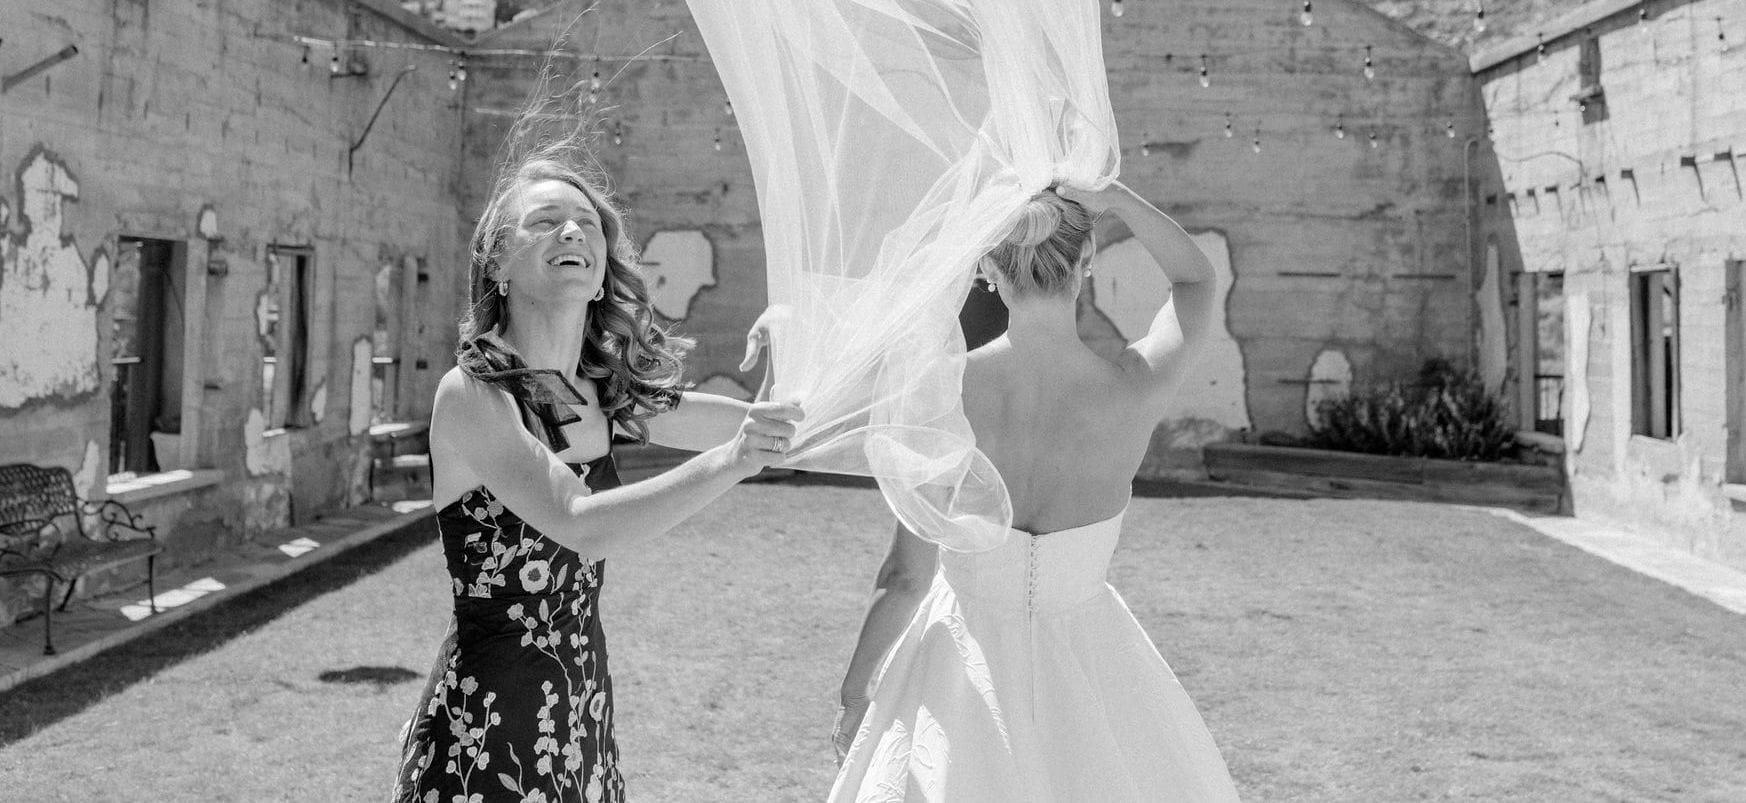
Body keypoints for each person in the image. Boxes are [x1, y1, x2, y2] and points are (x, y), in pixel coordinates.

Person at [392, 143, 801, 803]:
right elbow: (579, 524)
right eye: (546, 220)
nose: (573, 230)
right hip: (482, 732)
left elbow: (766, 425)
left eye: (586, 221)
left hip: (579, 718)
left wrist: (797, 365)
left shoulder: (597, 392)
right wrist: (737, 460)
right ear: (497, 262)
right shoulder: (471, 394)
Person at [827, 180, 1241, 802]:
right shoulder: (1136, 384)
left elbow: (905, 577)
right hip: (1094, 654)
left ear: (987, 268)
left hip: (958, 670)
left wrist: (856, 693)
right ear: (1086, 263)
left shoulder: (944, 392)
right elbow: (1197, 282)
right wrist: (1121, 202)